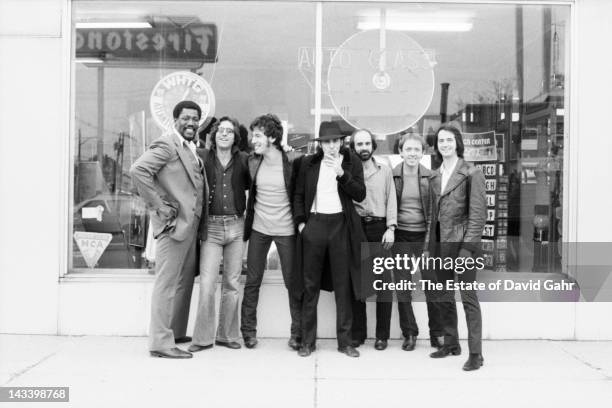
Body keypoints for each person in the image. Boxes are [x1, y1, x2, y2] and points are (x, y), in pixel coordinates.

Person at [130, 100, 207, 359]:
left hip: (189, 226)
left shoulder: (189, 146)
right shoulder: (167, 144)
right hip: (174, 226)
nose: (191, 123)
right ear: (175, 121)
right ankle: (160, 344)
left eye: (195, 119)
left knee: (182, 282)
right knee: (166, 284)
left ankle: (172, 332)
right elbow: (139, 170)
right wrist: (160, 207)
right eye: (186, 118)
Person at [293, 121, 366, 358]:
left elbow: (360, 194)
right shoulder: (308, 163)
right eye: (327, 141)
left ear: (342, 142)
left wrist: (342, 174)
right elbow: (299, 194)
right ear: (321, 144)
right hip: (314, 224)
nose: (332, 145)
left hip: (340, 226)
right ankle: (307, 341)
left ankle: (345, 342)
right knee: (310, 285)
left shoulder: (351, 161)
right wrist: (302, 223)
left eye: (336, 141)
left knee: (343, 286)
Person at [240, 114, 303, 350]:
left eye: (257, 135)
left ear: (272, 137)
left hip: (286, 229)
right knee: (253, 281)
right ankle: (248, 332)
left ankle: (297, 333)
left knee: (292, 283)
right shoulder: (252, 161)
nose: (252, 139)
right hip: (259, 228)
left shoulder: (294, 160)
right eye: (252, 134)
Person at [427, 125, 487, 371]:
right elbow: (434, 216)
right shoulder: (435, 175)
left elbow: (478, 216)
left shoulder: (472, 172)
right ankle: (451, 343)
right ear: (437, 145)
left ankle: (476, 354)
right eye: (441, 140)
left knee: (469, 299)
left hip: (462, 246)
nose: (445, 144)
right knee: (443, 296)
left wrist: (466, 249)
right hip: (440, 244)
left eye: (449, 140)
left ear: (457, 143)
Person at [189, 116, 250, 352]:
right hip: (211, 227)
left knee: (232, 284)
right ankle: (202, 338)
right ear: (214, 136)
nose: (225, 134)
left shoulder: (244, 160)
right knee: (207, 284)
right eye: (221, 130)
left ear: (236, 137)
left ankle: (227, 335)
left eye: (229, 131)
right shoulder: (203, 157)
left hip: (236, 225)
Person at [392, 133, 443, 351]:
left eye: (417, 149)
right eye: (408, 149)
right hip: (401, 236)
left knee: (432, 285)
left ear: (423, 152)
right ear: (401, 152)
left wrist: (428, 244)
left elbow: (435, 214)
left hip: (425, 236)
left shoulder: (431, 177)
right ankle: (410, 333)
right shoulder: (392, 176)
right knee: (403, 287)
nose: (412, 153)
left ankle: (437, 333)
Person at [349, 129, 398, 351]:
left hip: (379, 227)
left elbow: (391, 200)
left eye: (367, 143)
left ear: (373, 145)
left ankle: (382, 336)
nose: (364, 148)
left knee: (383, 284)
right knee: (357, 283)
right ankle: (358, 334)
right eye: (359, 144)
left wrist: (391, 227)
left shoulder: (385, 171)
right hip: (356, 226)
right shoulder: (348, 171)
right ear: (353, 147)